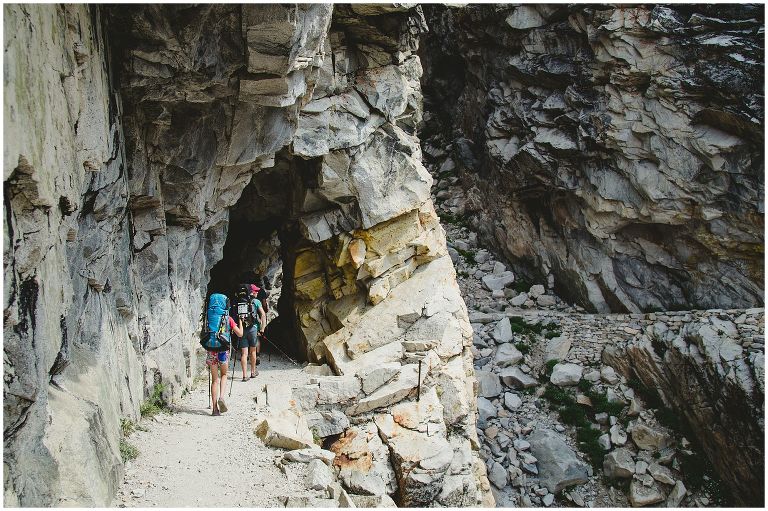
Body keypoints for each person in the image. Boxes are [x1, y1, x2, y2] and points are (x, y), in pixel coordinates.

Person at [207, 309, 243, 416]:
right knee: (223, 374)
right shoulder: (228, 319)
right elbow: (240, 334)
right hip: (223, 350)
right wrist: (240, 321)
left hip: (211, 350)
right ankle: (221, 397)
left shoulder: (209, 318)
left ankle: (214, 409)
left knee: (214, 380)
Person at [239, 284, 266, 380]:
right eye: (256, 291)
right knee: (253, 351)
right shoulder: (256, 301)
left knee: (244, 353)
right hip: (253, 328)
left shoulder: (240, 301)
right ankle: (253, 372)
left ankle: (244, 375)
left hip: (242, 329)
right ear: (251, 292)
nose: (257, 292)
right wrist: (262, 328)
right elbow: (263, 315)